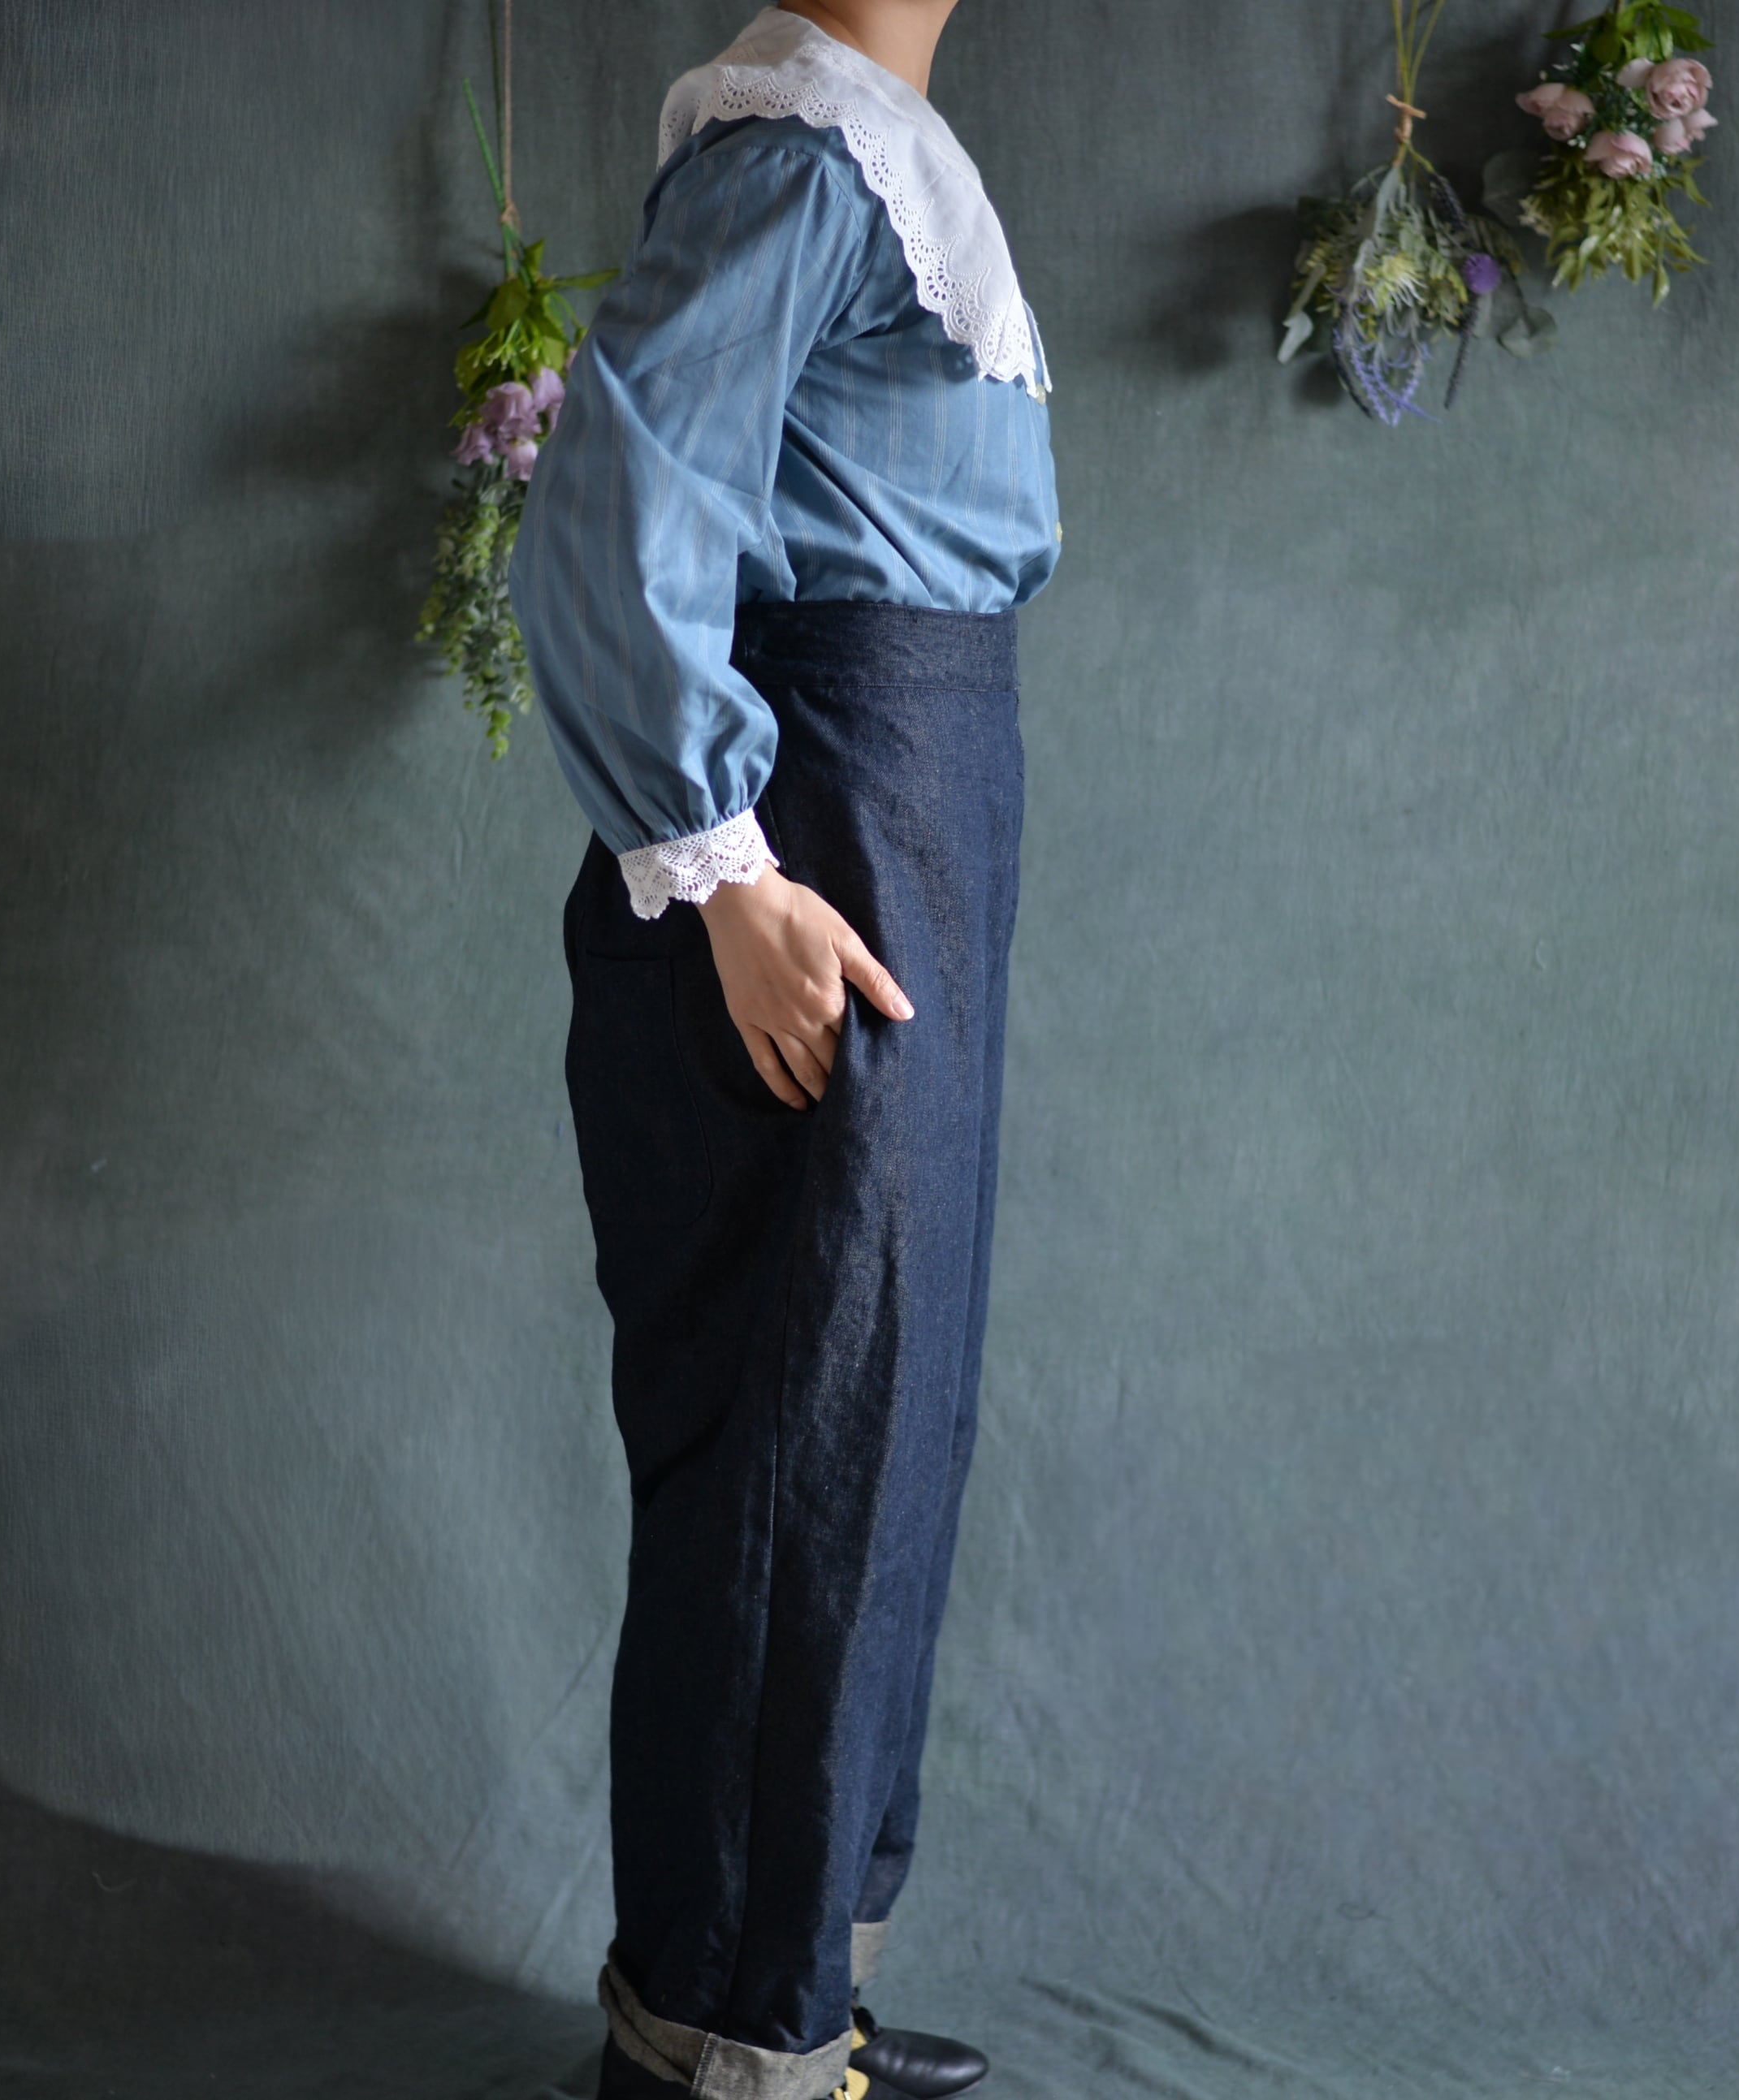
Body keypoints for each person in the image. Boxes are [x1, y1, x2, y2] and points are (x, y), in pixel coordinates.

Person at [505, 3, 1059, 2098]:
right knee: (791, 1435)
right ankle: (721, 2050)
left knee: (881, 1421)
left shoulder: (873, 154)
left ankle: (792, 1998)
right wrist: (724, 871)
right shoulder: (798, 158)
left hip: (915, 788)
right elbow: (614, 506)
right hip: (818, 813)